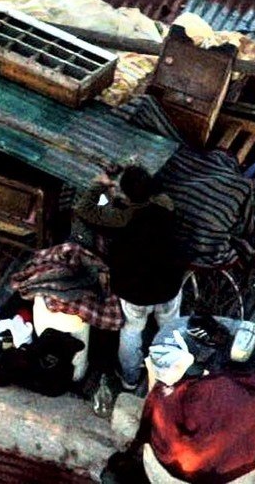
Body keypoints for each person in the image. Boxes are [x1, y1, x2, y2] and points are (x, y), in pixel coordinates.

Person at [73, 164, 188, 393]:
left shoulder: (121, 218)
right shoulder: (165, 206)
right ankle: (172, 376)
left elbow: (84, 209)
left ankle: (130, 379)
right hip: (168, 283)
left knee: (132, 331)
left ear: (125, 195)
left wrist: (102, 185)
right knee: (171, 329)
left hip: (135, 289)